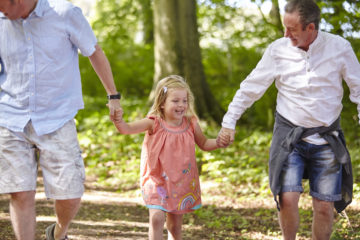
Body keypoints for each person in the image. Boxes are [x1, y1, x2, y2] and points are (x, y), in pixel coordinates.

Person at [217, 0, 359, 239]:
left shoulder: (339, 48)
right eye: (285, 27)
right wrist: (229, 122)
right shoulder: (278, 50)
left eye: (292, 29)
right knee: (287, 198)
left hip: (326, 138)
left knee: (324, 208)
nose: (286, 34)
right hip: (289, 137)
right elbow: (251, 87)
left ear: (311, 28)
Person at [0, 0, 121, 239]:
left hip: (57, 115)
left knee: (70, 192)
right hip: (10, 116)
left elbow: (94, 51)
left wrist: (113, 96)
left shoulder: (64, 13)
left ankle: (58, 232)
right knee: (20, 192)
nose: (1, 12)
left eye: (4, 7)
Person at [112, 75, 222, 240]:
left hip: (181, 181)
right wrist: (118, 120)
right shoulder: (154, 123)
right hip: (157, 180)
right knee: (157, 218)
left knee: (175, 227)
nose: (181, 105)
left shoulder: (190, 123)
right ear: (162, 103)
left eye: (184, 101)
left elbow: (205, 143)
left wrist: (220, 142)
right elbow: (126, 129)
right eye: (175, 101)